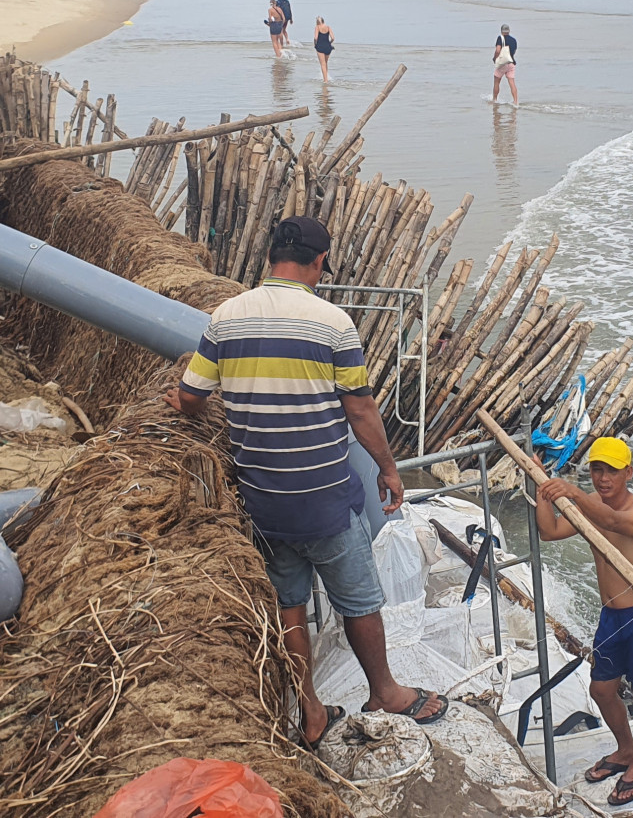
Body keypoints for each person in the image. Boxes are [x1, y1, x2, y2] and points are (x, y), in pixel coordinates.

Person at [167, 216, 448, 749]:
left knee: (289, 603)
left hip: (263, 500)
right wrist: (389, 468)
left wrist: (176, 402)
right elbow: (361, 410)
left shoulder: (225, 318)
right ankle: (385, 691)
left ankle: (311, 708)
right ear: (319, 263)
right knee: (360, 600)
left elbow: (191, 396)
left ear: (271, 255)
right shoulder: (333, 323)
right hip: (323, 497)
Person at [537, 436, 633, 806]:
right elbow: (550, 532)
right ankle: (626, 750)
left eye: (611, 470)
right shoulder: (591, 504)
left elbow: (612, 520)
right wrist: (542, 487)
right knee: (601, 689)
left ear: (628, 472)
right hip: (612, 614)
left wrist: (573, 493)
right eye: (596, 469)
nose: (602, 478)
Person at [491, 24, 519, 106]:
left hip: (502, 64)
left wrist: (495, 58)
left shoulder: (500, 38)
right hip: (511, 63)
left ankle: (494, 100)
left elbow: (497, 50)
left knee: (496, 81)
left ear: (501, 31)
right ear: (509, 31)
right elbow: (513, 51)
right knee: (512, 83)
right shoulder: (514, 40)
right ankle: (516, 102)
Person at [313, 16, 334, 82]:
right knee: (325, 63)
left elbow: (315, 38)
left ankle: (325, 80)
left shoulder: (317, 27)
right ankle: (326, 77)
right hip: (328, 47)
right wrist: (329, 43)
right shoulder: (328, 27)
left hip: (320, 46)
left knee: (322, 64)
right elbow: (333, 38)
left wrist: (315, 44)